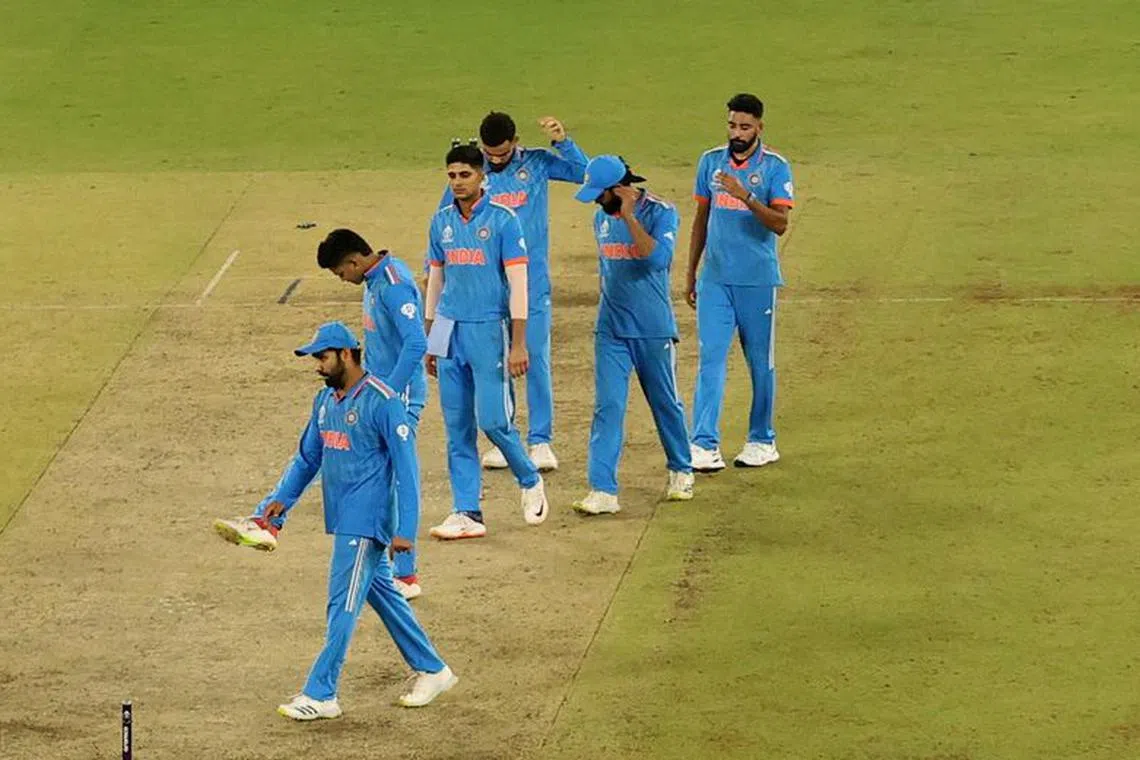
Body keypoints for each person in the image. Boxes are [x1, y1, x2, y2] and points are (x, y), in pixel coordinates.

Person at [217, 322, 456, 719]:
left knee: (341, 606)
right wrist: (280, 502)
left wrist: (404, 533)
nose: (318, 367)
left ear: (346, 354)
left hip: (368, 521)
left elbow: (408, 472)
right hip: (344, 517)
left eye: (323, 358)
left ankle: (322, 693)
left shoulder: (384, 402)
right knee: (385, 598)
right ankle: (434, 670)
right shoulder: (325, 402)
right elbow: (308, 458)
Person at [212, 229, 428, 601]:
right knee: (316, 452)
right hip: (370, 392)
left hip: (393, 400)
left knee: (389, 476)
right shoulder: (376, 278)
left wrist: (387, 394)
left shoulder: (392, 285)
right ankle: (268, 520)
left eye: (340, 273)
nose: (342, 280)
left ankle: (405, 577)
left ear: (354, 262)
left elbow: (416, 343)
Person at [440, 112, 589, 473]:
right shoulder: (473, 174)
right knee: (496, 362)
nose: (496, 161)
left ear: (516, 142)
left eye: (503, 154)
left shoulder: (537, 163)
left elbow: (584, 173)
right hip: (487, 288)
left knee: (533, 357)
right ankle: (507, 438)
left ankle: (541, 442)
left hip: (531, 281)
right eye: (490, 155)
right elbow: (446, 224)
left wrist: (562, 141)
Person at [424, 143, 549, 540]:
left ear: (482, 177)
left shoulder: (503, 221)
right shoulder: (440, 222)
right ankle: (467, 512)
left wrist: (518, 342)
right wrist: (431, 337)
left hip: (489, 330)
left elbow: (518, 284)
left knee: (494, 421)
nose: (458, 182)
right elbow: (436, 280)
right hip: (449, 327)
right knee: (456, 427)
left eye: (465, 174)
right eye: (452, 175)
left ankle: (530, 481)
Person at [569, 156, 694, 514]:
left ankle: (681, 469)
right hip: (610, 328)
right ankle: (603, 489)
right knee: (607, 406)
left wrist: (629, 216)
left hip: (653, 329)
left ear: (619, 189)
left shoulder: (661, 213)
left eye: (601, 194)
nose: (595, 201)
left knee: (665, 402)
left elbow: (657, 260)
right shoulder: (600, 219)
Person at [685, 93, 795, 471]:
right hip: (715, 279)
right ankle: (703, 444)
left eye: (745, 127)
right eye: (732, 125)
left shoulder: (776, 168)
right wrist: (690, 273)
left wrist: (745, 195)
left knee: (759, 363)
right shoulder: (710, 162)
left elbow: (780, 224)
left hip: (757, 281)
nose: (737, 132)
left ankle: (762, 440)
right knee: (710, 359)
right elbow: (702, 218)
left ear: (759, 128)